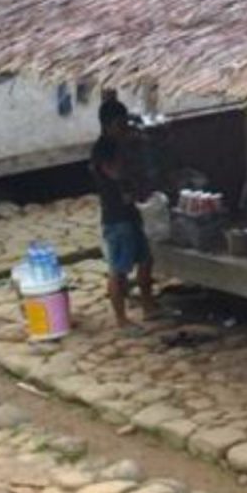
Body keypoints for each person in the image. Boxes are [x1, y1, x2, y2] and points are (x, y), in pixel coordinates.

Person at [91, 96, 162, 335]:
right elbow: (117, 173)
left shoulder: (121, 143)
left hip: (131, 211)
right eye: (120, 124)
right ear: (109, 124)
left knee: (145, 259)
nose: (124, 128)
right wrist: (125, 145)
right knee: (119, 269)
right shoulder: (103, 148)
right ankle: (121, 319)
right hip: (115, 216)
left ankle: (149, 306)